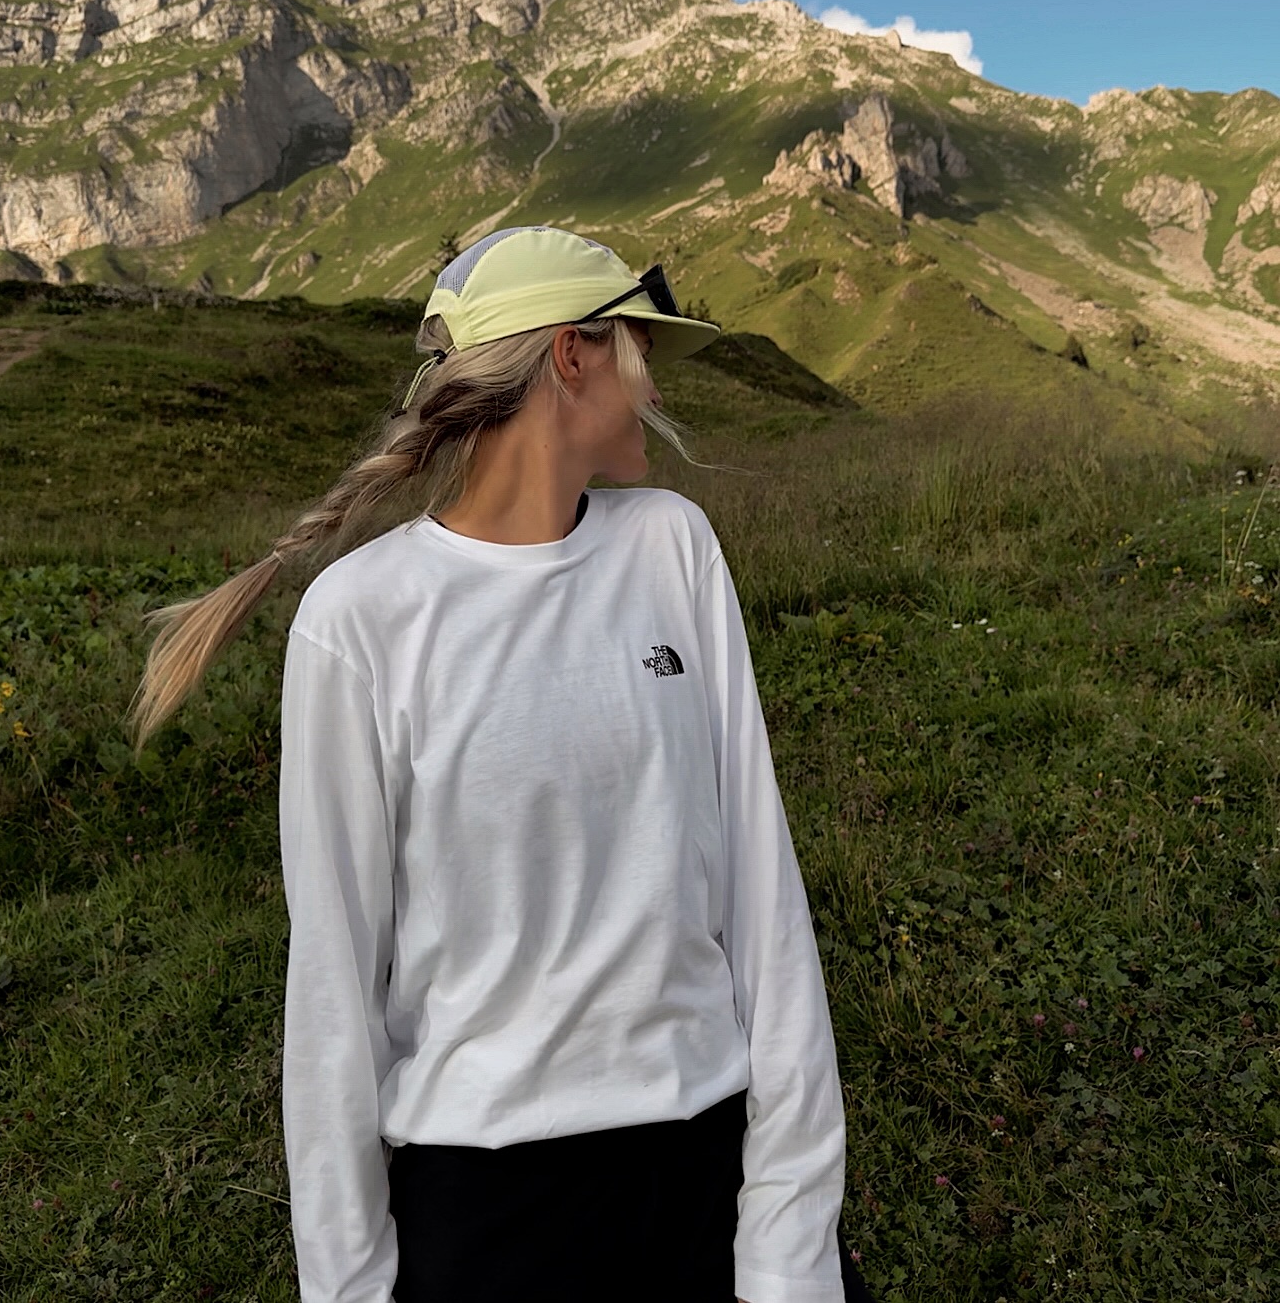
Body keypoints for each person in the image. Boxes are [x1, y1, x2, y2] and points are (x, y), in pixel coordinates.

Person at [133, 226, 871, 1303]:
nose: (653, 382)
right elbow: (334, 987)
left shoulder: (675, 547)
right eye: (638, 347)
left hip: (710, 1168)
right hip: (489, 1215)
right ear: (573, 355)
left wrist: (791, 1244)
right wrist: (347, 1287)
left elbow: (765, 902)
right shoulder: (362, 622)